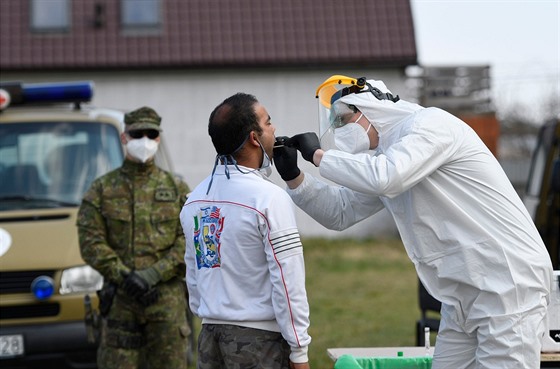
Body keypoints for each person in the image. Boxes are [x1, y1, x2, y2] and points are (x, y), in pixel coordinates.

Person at [273, 75, 553, 369]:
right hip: (463, 299)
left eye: (344, 119)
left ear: (373, 106)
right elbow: (341, 211)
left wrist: (318, 156)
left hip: (507, 287)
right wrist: (295, 178)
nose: (340, 129)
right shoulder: (389, 156)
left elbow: (387, 176)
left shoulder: (429, 126)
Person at [180, 93, 311, 369]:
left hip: (209, 338)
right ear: (254, 138)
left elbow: (193, 272)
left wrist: (212, 313)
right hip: (258, 341)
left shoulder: (194, 200)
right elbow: (288, 280)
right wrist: (299, 350)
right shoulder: (269, 199)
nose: (274, 129)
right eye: (268, 122)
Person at [77, 106, 191, 369]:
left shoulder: (177, 189)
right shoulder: (102, 189)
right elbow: (90, 241)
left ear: (158, 139)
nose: (144, 141)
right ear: (124, 137)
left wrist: (152, 275)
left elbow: (190, 240)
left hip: (166, 303)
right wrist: (125, 277)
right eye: (137, 133)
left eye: (151, 134)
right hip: (120, 302)